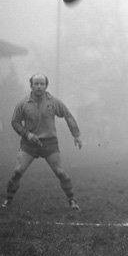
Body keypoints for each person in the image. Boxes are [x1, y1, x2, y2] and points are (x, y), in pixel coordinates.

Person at [1, 74, 82, 210]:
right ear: (31, 85)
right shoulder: (23, 103)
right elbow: (15, 122)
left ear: (46, 85)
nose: (39, 86)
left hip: (49, 144)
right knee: (17, 171)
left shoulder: (54, 102)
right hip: (29, 144)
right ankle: (8, 200)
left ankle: (72, 200)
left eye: (42, 84)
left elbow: (68, 115)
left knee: (60, 172)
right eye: (36, 84)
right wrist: (27, 134)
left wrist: (76, 135)